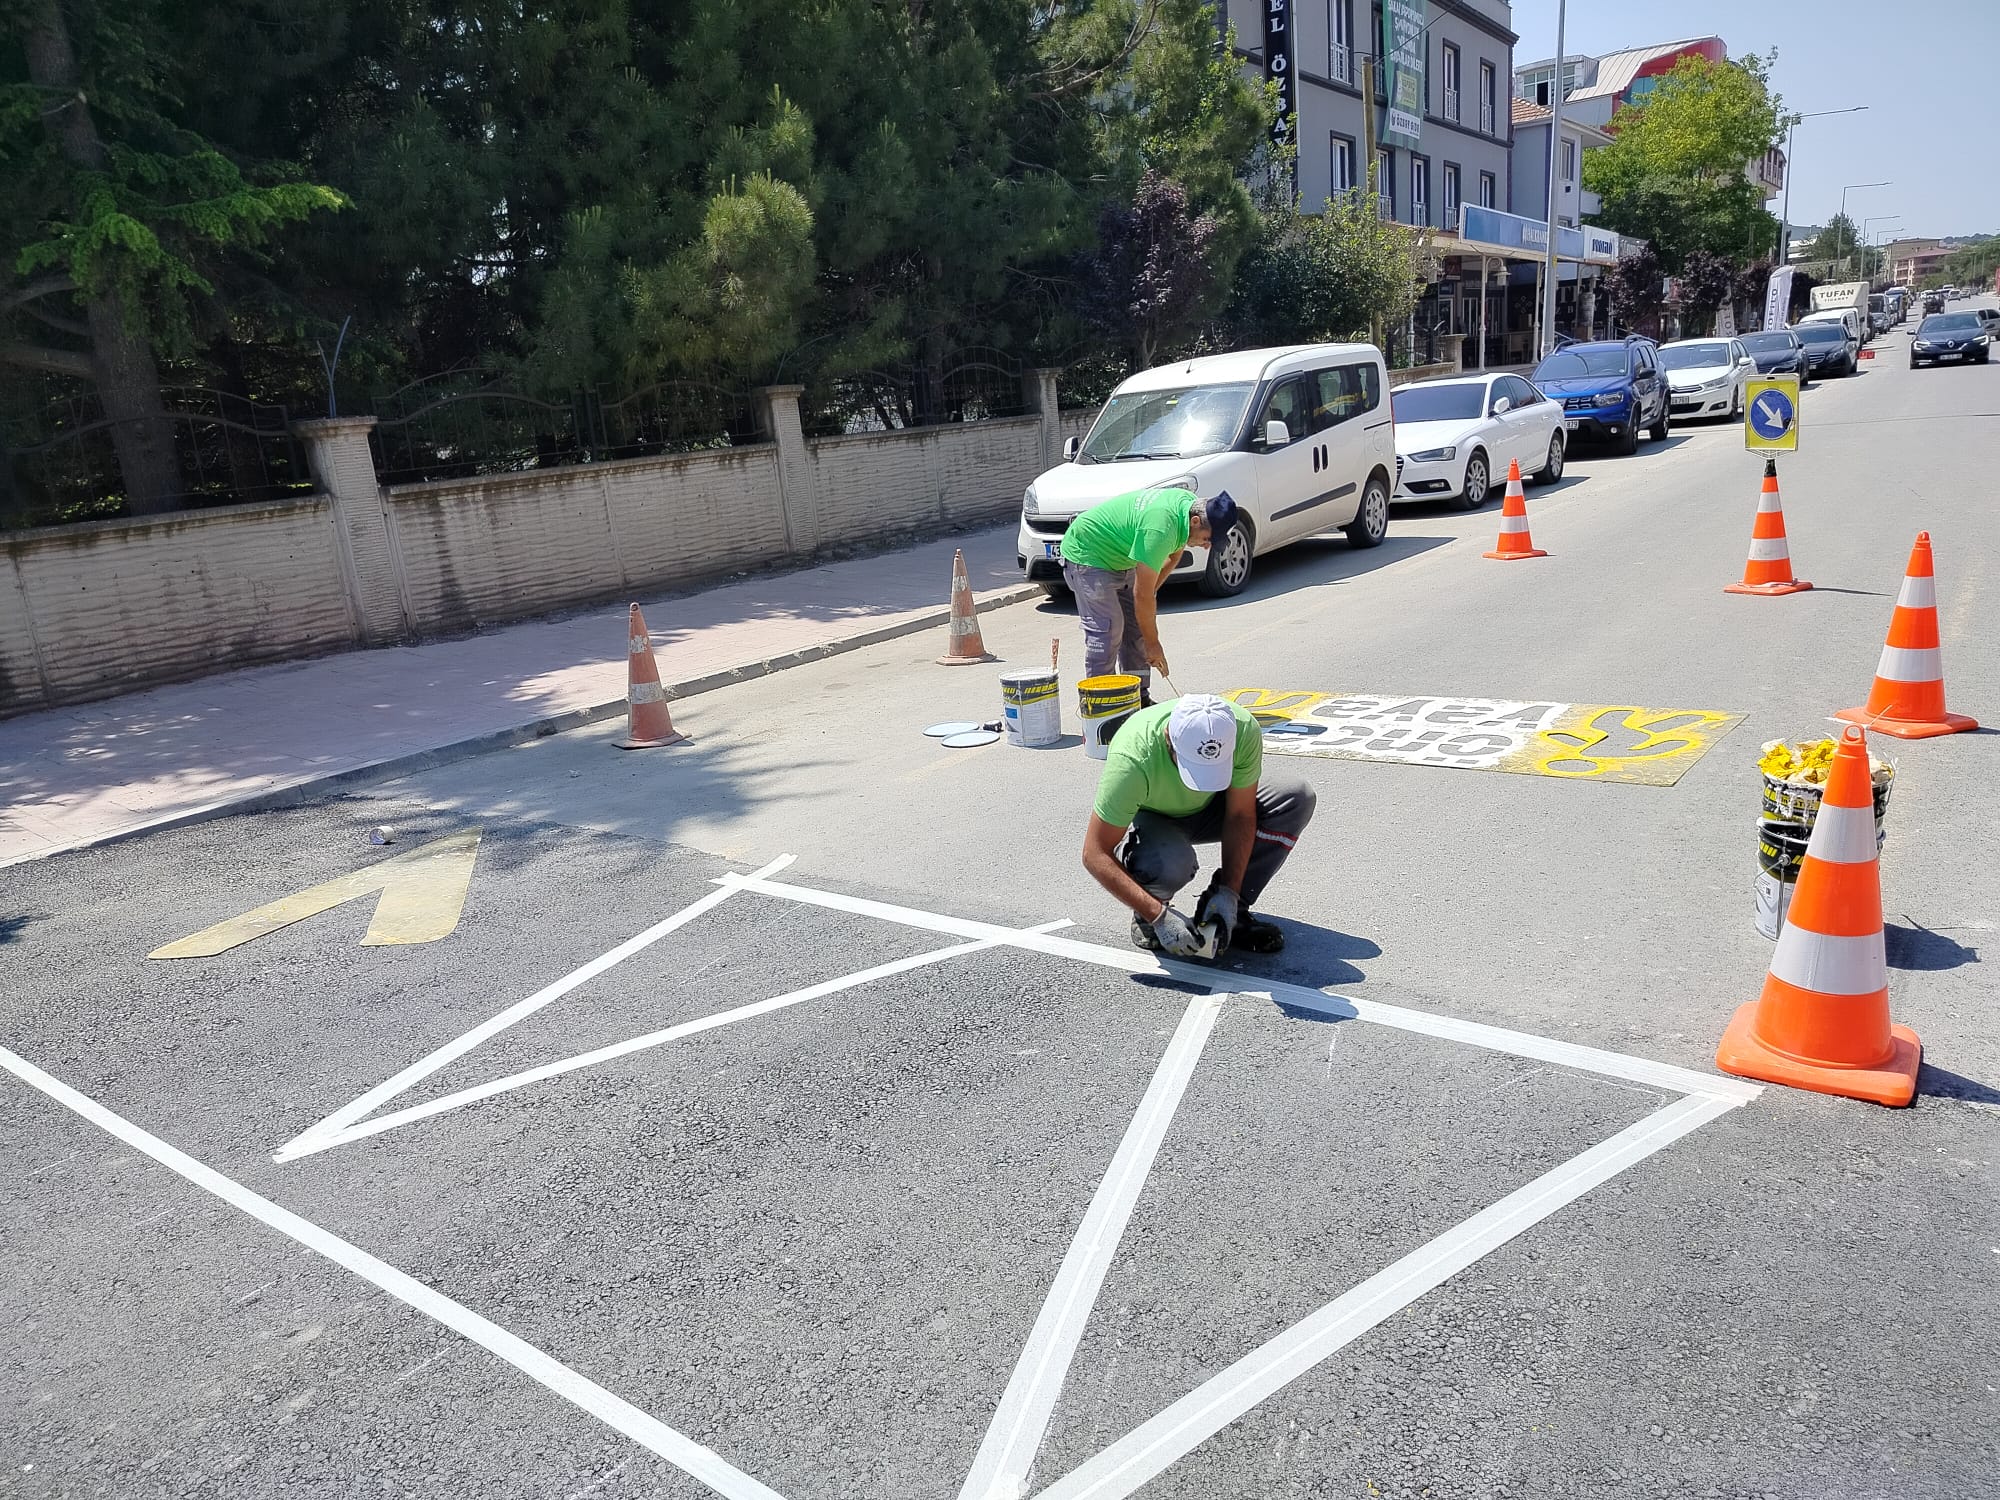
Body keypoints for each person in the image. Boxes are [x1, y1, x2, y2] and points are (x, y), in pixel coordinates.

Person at [1081, 693, 1316, 957]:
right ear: (1169, 738)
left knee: (1296, 797)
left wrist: (1230, 891)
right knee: (1171, 862)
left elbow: (1240, 815)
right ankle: (1147, 916)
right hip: (1158, 817)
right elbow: (1095, 852)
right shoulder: (1133, 757)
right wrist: (1158, 916)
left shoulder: (1241, 729)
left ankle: (1230, 912)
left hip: (1216, 805)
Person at [1060, 488, 1236, 704]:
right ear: (1197, 521)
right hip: (1088, 553)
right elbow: (1142, 596)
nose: (1207, 546)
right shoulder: (1160, 528)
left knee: (1137, 628)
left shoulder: (1187, 508)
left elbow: (1174, 555)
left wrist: (1150, 592)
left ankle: (1138, 699)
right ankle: (1103, 706)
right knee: (1109, 629)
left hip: (1121, 556)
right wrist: (1154, 644)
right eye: (1208, 539)